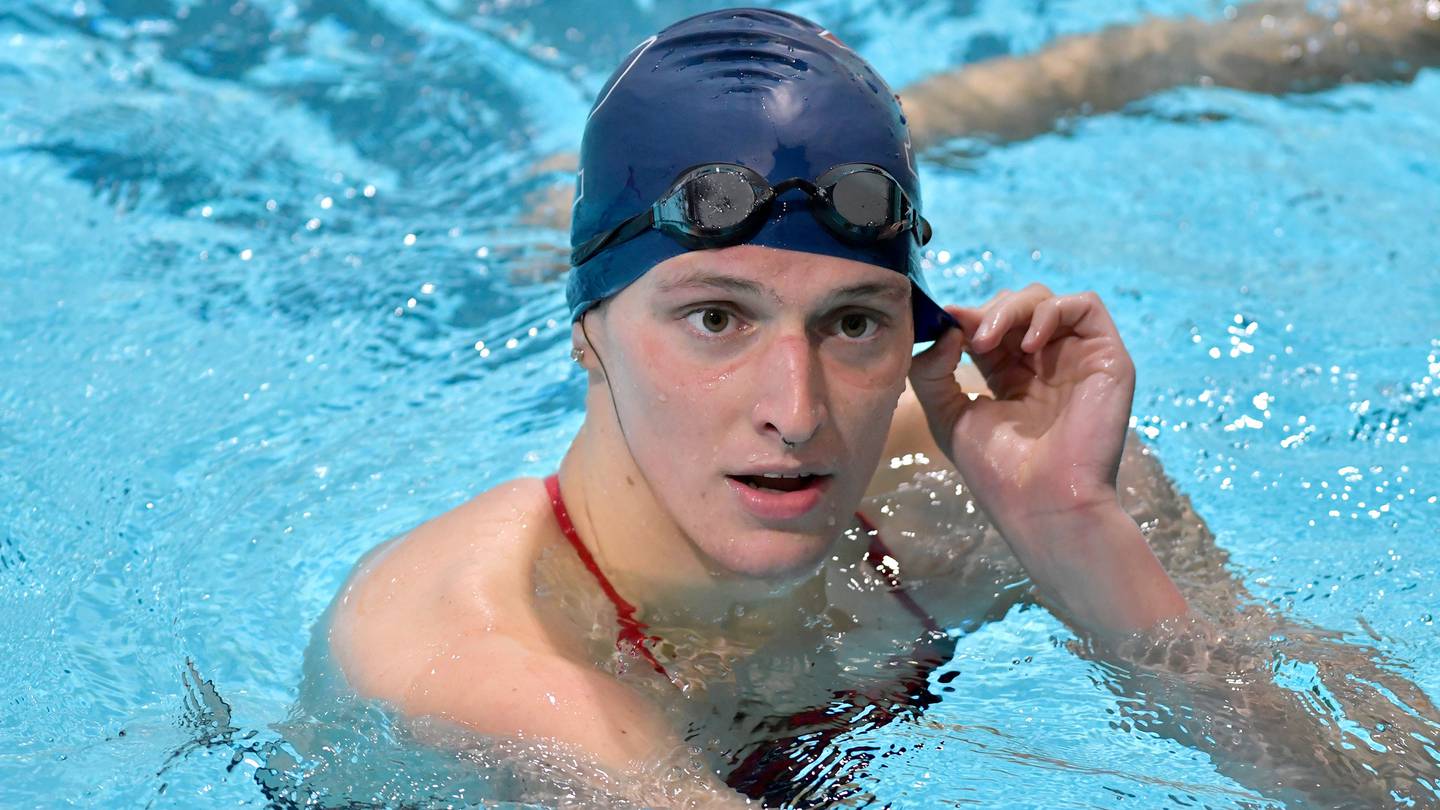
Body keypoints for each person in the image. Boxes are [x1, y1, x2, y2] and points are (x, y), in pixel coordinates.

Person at [327, 7, 1440, 807]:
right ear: (590, 337)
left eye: (853, 321)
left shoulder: (962, 490)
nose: (796, 411)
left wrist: (1080, 540)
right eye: (715, 319)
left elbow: (1385, 788)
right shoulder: (489, 659)